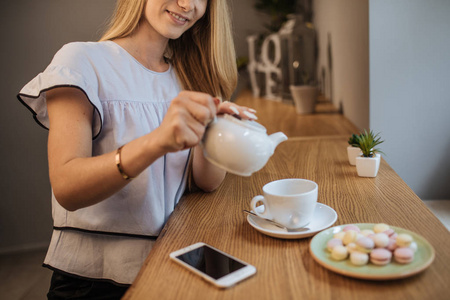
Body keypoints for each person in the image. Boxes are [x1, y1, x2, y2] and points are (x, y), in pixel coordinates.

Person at [17, 0, 257, 298]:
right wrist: (157, 141)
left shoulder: (190, 75)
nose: (187, 5)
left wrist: (215, 131)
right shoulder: (81, 60)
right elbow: (67, 188)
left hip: (171, 266)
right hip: (94, 283)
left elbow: (206, 182)